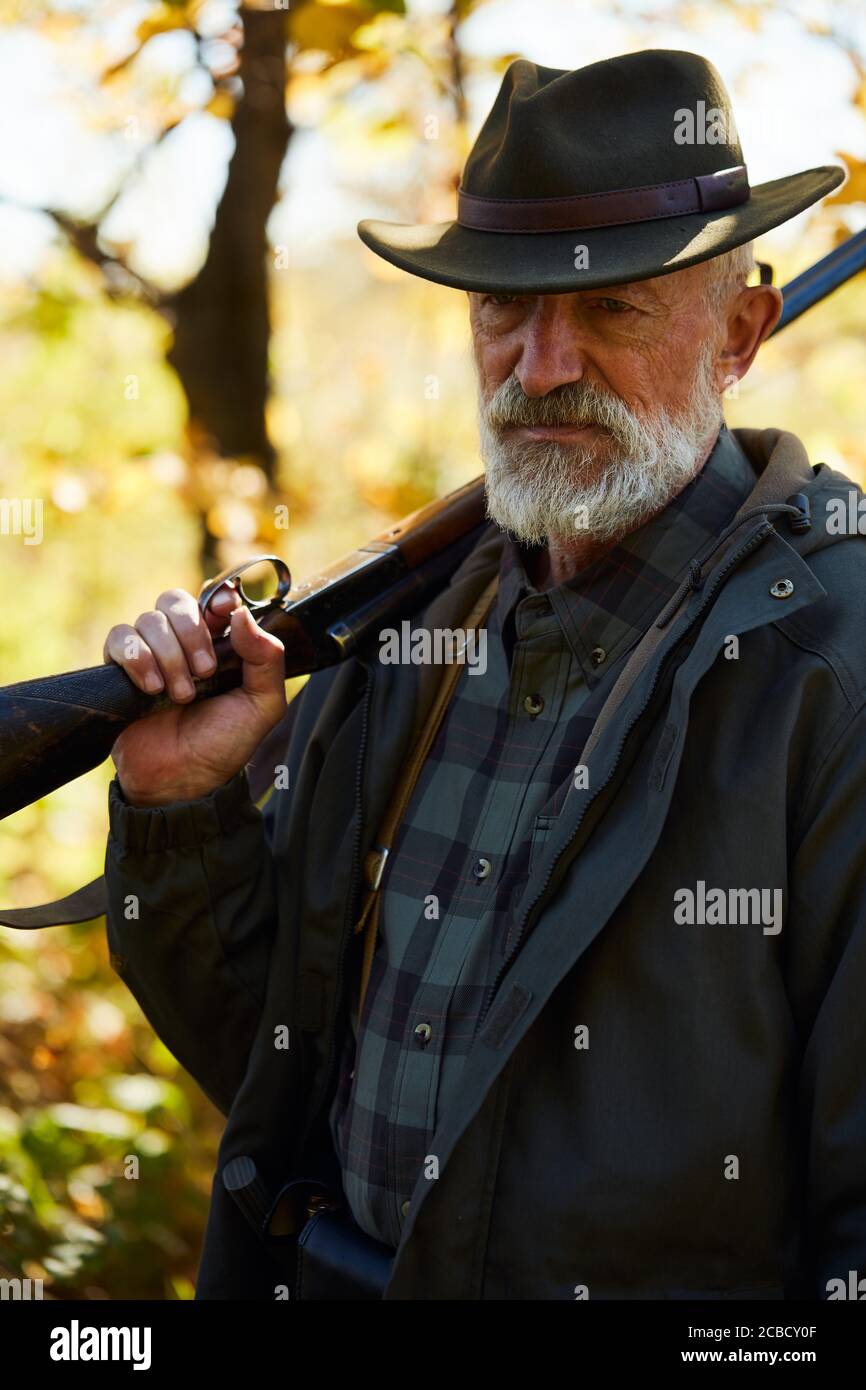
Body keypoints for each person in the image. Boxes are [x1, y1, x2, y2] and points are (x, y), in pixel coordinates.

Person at [102, 51, 866, 1300]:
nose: (540, 365)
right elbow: (278, 1072)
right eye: (500, 309)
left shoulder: (827, 672)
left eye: (615, 306)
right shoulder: (414, 631)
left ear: (739, 331)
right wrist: (186, 813)